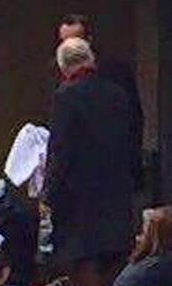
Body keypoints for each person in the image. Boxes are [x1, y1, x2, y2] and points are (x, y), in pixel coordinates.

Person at [43, 37, 138, 286]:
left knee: (83, 278)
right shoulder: (118, 95)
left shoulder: (66, 97)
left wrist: (50, 194)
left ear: (64, 67)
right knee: (114, 275)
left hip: (79, 203)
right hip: (117, 198)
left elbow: (62, 151)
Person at [57, 13, 143, 186]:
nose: (71, 47)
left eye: (76, 41)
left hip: (111, 166)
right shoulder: (57, 75)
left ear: (89, 40)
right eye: (65, 42)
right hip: (75, 172)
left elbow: (134, 119)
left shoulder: (115, 73)